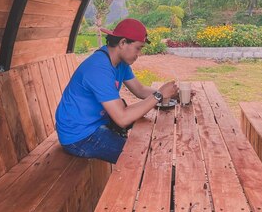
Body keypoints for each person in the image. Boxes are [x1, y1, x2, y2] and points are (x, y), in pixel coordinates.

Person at [55, 18, 178, 163]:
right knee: (141, 157)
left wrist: (173, 95)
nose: (139, 54)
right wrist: (159, 94)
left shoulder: (119, 62)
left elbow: (139, 89)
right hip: (79, 135)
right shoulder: (98, 68)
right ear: (122, 43)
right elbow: (122, 119)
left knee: (151, 131)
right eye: (138, 48)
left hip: (96, 122)